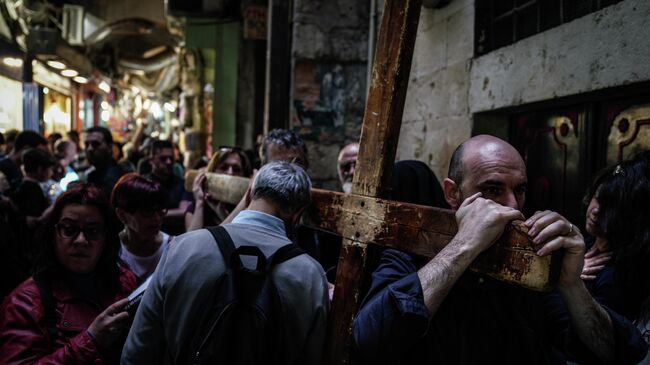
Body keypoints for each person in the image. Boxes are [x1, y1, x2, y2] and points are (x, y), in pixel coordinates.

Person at [352, 135, 647, 365]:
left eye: (519, 189)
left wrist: (570, 285)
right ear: (452, 193)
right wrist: (464, 246)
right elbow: (369, 341)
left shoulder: (531, 263)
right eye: (493, 189)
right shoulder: (411, 254)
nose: (513, 206)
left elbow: (615, 353)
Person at [122, 161, 329, 364]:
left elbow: (139, 349)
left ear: (248, 195)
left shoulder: (184, 248)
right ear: (298, 215)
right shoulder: (310, 275)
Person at [0, 184, 137, 364]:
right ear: (53, 234)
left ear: (106, 238)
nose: (81, 241)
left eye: (92, 231)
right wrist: (91, 341)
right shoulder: (25, 302)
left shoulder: (124, 281)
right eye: (69, 229)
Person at [112, 173, 172, 283]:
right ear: (122, 214)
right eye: (147, 211)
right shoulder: (111, 251)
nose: (157, 218)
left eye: (160, 210)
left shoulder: (172, 247)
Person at [186, 147, 253, 231]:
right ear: (213, 172)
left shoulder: (249, 209)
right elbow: (192, 242)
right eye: (223, 168)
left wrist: (221, 213)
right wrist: (200, 203)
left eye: (236, 169)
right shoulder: (195, 207)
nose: (230, 173)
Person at [146, 139, 192, 235]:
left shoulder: (181, 183)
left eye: (171, 158)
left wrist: (153, 214)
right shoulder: (144, 183)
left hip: (176, 238)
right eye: (163, 158)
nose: (169, 162)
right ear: (151, 160)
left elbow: (184, 211)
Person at [11, 148, 57, 225]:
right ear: (40, 169)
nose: (52, 173)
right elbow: (36, 217)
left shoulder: (21, 184)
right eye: (50, 169)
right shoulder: (32, 189)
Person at [83, 126, 128, 195]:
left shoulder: (112, 178)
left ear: (109, 147)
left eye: (95, 144)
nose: (89, 149)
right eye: (86, 144)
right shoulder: (98, 171)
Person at [0, 130, 47, 195]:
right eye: (38, 152)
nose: (40, 157)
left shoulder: (25, 170)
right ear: (26, 148)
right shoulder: (3, 168)